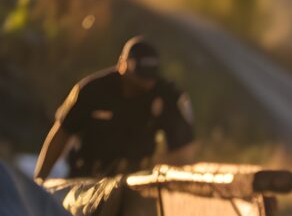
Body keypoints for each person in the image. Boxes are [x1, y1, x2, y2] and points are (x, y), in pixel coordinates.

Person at [35, 36, 195, 179]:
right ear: (122, 64)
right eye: (138, 77)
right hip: (85, 180)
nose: (145, 84)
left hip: (135, 184)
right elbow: (62, 132)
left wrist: (157, 174)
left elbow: (183, 151)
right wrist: (40, 179)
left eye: (149, 77)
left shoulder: (166, 96)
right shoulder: (92, 90)